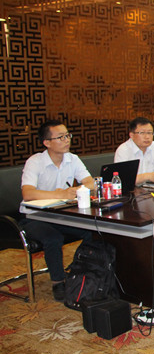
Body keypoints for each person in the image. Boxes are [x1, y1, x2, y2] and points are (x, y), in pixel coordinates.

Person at [20, 120, 94, 301]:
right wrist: (59, 193)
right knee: (53, 238)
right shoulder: (35, 162)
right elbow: (28, 193)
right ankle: (58, 281)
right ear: (47, 142)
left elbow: (90, 183)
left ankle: (77, 268)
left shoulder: (72, 159)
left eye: (67, 135)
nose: (67, 140)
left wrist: (77, 190)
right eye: (61, 137)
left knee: (93, 231)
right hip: (34, 216)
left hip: (60, 214)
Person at [114, 117, 154, 184]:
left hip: (151, 188)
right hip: (131, 189)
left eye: (149, 133)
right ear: (132, 135)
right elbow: (122, 179)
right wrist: (147, 176)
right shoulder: (123, 150)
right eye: (142, 133)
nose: (147, 137)